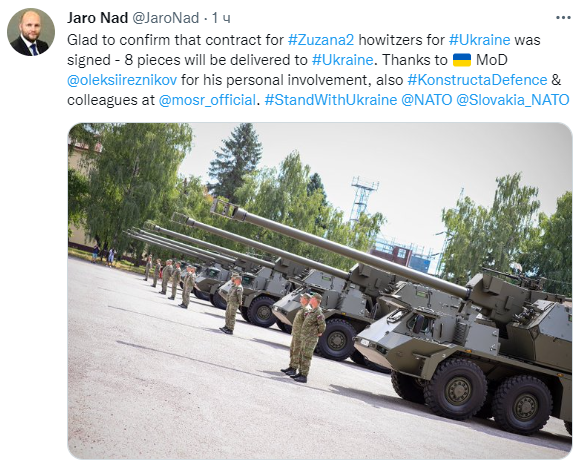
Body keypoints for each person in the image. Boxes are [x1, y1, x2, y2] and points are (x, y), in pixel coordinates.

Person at [290, 293, 326, 383]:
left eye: (312, 298)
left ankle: (304, 376)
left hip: (311, 339)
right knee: (302, 355)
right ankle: (300, 373)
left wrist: (318, 332)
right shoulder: (312, 311)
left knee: (306, 356)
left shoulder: (318, 312)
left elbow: (322, 325)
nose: (311, 299)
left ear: (316, 300)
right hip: (305, 338)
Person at [281, 293, 312, 376]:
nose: (300, 298)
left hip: (300, 335)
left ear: (306, 299)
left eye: (302, 297)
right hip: (296, 333)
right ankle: (291, 366)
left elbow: (307, 324)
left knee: (296, 351)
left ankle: (294, 369)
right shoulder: (303, 308)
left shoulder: (307, 310)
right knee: (292, 350)